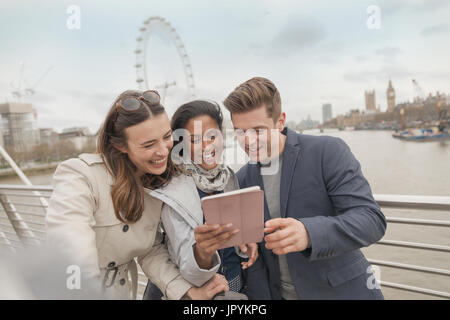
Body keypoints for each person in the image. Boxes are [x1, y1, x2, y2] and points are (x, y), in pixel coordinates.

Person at [45, 90, 229, 300]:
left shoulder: (157, 185)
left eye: (167, 137)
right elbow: (70, 250)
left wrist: (187, 292)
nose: (163, 151)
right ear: (119, 145)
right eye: (149, 145)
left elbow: (150, 250)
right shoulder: (80, 176)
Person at [223, 77, 386, 299]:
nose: (248, 141)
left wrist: (309, 233)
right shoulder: (242, 179)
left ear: (280, 122)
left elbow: (371, 220)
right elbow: (256, 258)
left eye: (258, 130)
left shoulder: (327, 151)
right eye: (240, 132)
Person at [144, 100, 270, 300]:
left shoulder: (228, 178)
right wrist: (202, 253)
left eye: (212, 136)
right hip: (203, 293)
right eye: (194, 140)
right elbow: (185, 265)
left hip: (238, 285)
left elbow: (234, 238)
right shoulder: (170, 193)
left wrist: (245, 242)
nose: (206, 146)